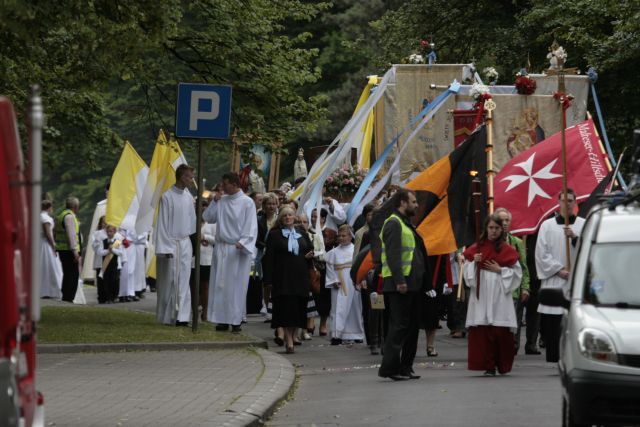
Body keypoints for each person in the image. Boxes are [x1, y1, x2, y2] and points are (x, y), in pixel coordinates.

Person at [463, 213, 522, 376]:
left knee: (499, 330)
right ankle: (488, 365)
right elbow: (467, 274)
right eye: (491, 228)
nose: (493, 231)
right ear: (486, 229)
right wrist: (474, 262)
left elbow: (517, 273)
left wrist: (501, 270)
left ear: (501, 230)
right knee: (483, 330)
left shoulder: (507, 250)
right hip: (482, 293)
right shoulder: (477, 248)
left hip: (499, 294)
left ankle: (500, 364)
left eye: (496, 228)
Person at [378, 189, 428, 381]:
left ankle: (406, 367)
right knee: (398, 327)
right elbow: (393, 255)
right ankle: (390, 369)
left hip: (412, 284)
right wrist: (399, 280)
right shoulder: (393, 223)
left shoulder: (407, 224)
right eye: (413, 202)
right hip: (400, 284)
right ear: (402, 202)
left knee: (412, 328)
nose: (416, 205)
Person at [205, 172, 258, 332]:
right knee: (220, 285)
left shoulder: (247, 202)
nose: (222, 187)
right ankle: (221, 320)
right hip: (221, 248)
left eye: (225, 183)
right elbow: (208, 217)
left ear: (235, 184)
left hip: (237, 250)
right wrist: (214, 202)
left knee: (236, 286)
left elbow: (251, 226)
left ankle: (235, 320)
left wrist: (242, 242)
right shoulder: (222, 201)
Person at [536, 189, 584, 363]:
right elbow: (541, 254)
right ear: (558, 203)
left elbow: (589, 251)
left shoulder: (584, 225)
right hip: (555, 279)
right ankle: (556, 357)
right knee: (554, 324)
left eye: (570, 200)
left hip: (575, 281)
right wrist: (558, 270)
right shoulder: (547, 226)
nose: (567, 204)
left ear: (575, 202)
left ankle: (573, 358)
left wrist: (576, 238)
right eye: (563, 200)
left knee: (574, 323)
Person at [262, 207, 314, 353]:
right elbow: (268, 259)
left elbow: (310, 250)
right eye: (285, 215)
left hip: (300, 277)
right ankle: (289, 340)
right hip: (283, 278)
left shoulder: (302, 233)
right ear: (281, 219)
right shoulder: (274, 235)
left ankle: (291, 335)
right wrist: (268, 280)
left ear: (294, 217)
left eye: (290, 215)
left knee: (297, 309)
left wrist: (310, 256)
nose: (288, 217)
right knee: (285, 309)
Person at [155, 164, 197, 326]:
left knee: (184, 279)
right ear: (181, 177)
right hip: (171, 243)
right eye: (189, 177)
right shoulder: (167, 197)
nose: (192, 181)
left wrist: (191, 242)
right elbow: (162, 223)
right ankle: (168, 315)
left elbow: (192, 221)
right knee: (170, 280)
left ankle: (183, 316)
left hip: (184, 242)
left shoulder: (188, 197)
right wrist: (165, 247)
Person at [495, 207, 531, 354]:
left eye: (507, 220)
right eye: (501, 220)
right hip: (496, 289)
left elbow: (523, 267)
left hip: (514, 291)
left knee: (514, 322)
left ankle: (512, 347)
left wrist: (525, 287)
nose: (504, 223)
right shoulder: (490, 243)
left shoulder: (516, 242)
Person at [325, 224, 365, 345]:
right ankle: (337, 334)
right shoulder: (333, 253)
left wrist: (360, 280)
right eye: (339, 236)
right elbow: (330, 267)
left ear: (350, 236)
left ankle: (356, 333)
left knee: (355, 307)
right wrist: (333, 280)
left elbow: (360, 267)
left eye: (344, 236)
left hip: (353, 281)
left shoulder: (356, 250)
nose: (341, 238)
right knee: (339, 308)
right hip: (340, 281)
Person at [55, 196, 82, 302]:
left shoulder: (61, 215)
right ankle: (69, 298)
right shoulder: (69, 217)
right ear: (75, 206)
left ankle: (66, 296)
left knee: (67, 274)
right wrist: (75, 251)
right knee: (73, 275)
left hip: (63, 249)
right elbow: (71, 236)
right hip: (69, 250)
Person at [256, 192, 279, 322]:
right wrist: (266, 246)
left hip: (279, 255)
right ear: (264, 205)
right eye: (268, 204)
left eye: (273, 204)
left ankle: (276, 308)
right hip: (265, 255)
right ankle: (267, 308)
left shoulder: (280, 219)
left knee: (278, 283)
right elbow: (256, 239)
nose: (271, 206)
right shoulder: (258, 220)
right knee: (267, 283)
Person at [96, 225, 125, 304]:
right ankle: (108, 297)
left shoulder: (117, 242)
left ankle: (113, 296)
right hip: (106, 264)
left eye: (111, 231)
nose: (109, 233)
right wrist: (107, 251)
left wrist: (113, 250)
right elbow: (99, 252)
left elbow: (120, 252)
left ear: (114, 232)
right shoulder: (104, 241)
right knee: (106, 281)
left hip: (114, 264)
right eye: (108, 231)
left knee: (113, 280)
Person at [40, 200, 63, 299]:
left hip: (39, 243)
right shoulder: (45, 218)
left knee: (42, 266)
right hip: (45, 244)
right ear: (49, 207)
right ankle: (52, 290)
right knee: (50, 266)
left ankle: (44, 289)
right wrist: (53, 244)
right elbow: (48, 233)